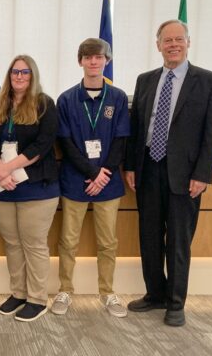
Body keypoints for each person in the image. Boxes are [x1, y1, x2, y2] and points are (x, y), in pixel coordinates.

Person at [124, 20, 212, 327]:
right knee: (150, 237)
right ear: (158, 46)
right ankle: (155, 294)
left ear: (188, 43)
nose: (173, 45)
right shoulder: (145, 80)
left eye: (179, 39)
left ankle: (176, 302)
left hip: (185, 175)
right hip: (148, 170)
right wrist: (130, 165)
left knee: (179, 241)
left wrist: (203, 174)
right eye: (167, 40)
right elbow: (137, 127)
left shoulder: (208, 81)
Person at [51, 38, 129, 318]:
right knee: (68, 240)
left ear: (107, 61)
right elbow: (65, 143)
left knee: (108, 241)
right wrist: (92, 173)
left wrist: (103, 174)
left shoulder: (118, 98)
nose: (94, 62)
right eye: (88, 57)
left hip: (108, 182)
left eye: (99, 57)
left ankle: (107, 293)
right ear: (80, 61)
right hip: (76, 180)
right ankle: (64, 290)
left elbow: (120, 140)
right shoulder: (66, 99)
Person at [0, 55, 59, 322]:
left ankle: (37, 298)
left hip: (37, 185)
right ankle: (18, 293)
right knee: (13, 243)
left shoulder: (44, 104)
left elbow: (43, 143)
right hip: (1, 186)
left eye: (24, 72)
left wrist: (10, 166)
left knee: (34, 244)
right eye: (15, 72)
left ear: (32, 75)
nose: (19, 77)